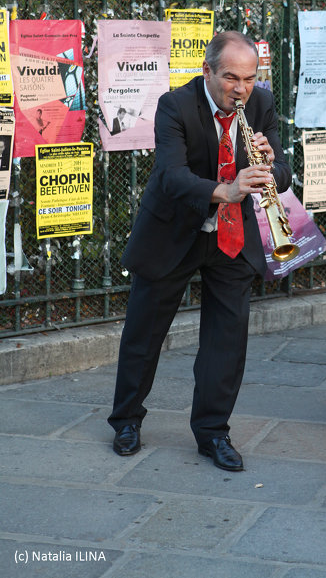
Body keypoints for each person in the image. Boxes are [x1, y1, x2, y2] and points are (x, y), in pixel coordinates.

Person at [108, 30, 291, 471]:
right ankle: (127, 420)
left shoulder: (261, 105)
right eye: (231, 78)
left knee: (226, 341)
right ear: (207, 71)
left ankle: (213, 433)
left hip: (232, 238)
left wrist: (269, 164)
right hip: (175, 231)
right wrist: (225, 190)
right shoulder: (175, 105)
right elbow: (171, 178)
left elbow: (283, 174)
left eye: (249, 78)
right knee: (144, 333)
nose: (241, 89)